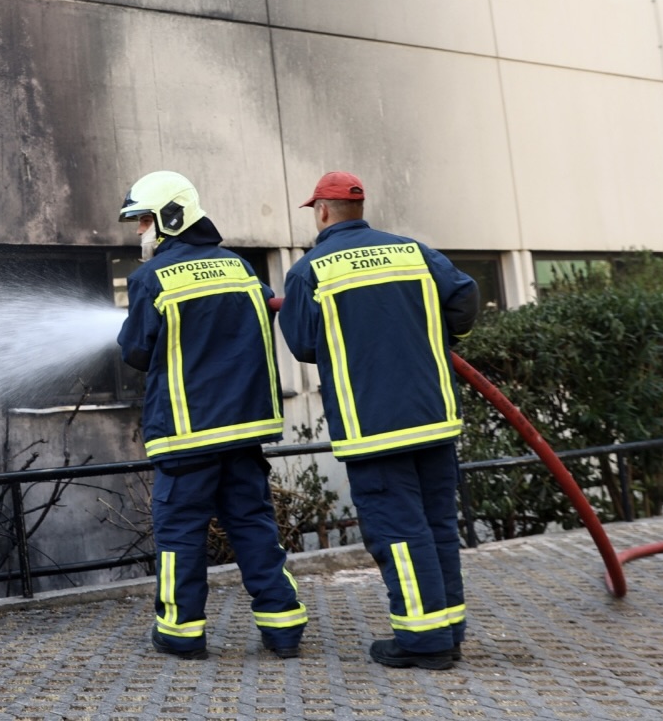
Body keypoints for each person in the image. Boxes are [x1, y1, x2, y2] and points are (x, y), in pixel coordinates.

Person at [278, 172, 478, 670]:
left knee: (398, 531)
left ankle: (423, 639)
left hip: (374, 428)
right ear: (360, 207)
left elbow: (303, 344)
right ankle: (447, 629)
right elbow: (465, 298)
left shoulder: (310, 271)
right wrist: (432, 331)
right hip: (433, 417)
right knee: (435, 526)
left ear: (322, 211)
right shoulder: (413, 252)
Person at [115, 170, 306, 660]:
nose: (140, 232)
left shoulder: (150, 278)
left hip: (186, 436)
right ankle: (284, 628)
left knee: (181, 534)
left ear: (171, 217)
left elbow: (136, 352)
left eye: (143, 221)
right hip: (243, 433)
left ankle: (181, 634)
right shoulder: (240, 268)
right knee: (253, 526)